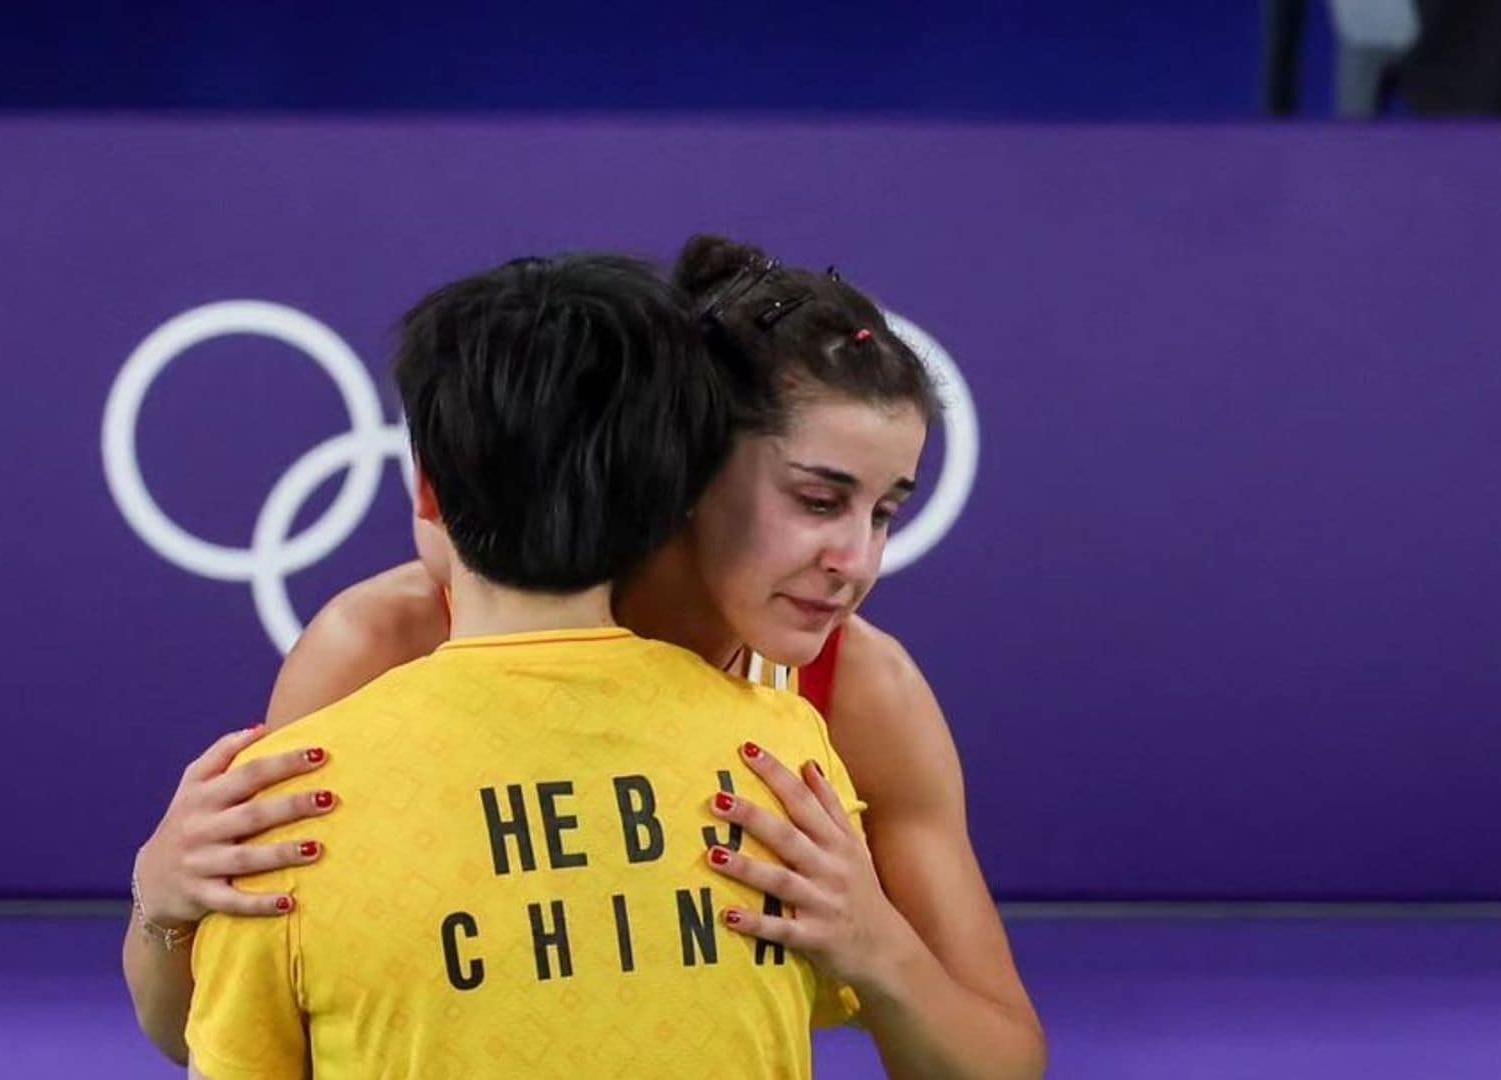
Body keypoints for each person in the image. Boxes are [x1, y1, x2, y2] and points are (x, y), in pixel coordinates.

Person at [127, 237, 1047, 1077]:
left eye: (885, 512)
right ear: (682, 469)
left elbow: (1003, 1061)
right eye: (817, 500)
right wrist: (159, 905)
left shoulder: (858, 692)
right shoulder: (384, 647)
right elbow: (221, 1022)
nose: (857, 561)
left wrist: (878, 948)